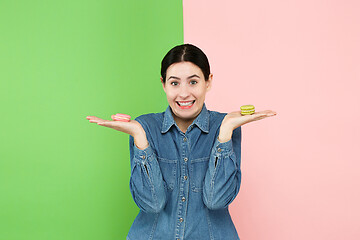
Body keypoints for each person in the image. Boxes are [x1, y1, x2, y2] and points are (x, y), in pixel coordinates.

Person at [86, 44, 276, 240]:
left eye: (193, 82)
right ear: (163, 84)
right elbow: (152, 204)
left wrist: (225, 133)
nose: (184, 94)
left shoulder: (227, 125)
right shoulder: (144, 127)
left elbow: (216, 200)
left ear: (208, 82)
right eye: (174, 83)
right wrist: (139, 138)